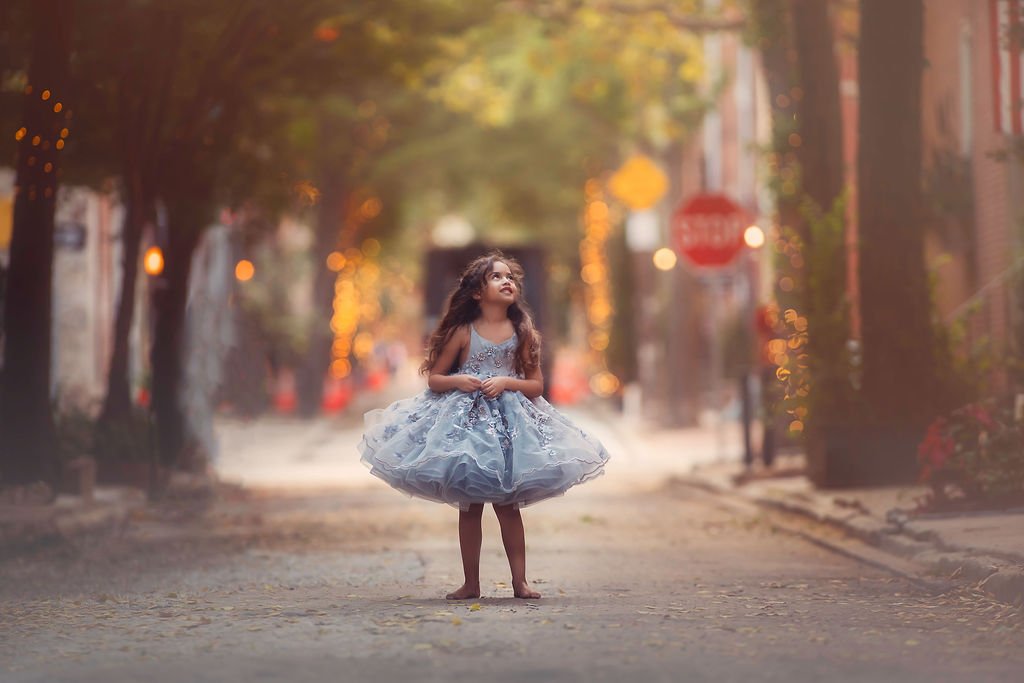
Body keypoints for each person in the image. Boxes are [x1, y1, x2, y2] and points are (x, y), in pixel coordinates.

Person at [359, 250, 611, 600]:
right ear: (477, 292)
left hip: (509, 429)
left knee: (508, 506)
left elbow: (536, 386)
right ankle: (471, 583)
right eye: (496, 276)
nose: (507, 281)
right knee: (470, 505)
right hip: (467, 427)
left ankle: (520, 582)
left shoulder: (522, 332)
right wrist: (459, 380)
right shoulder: (464, 332)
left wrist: (507, 382)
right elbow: (435, 379)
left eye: (510, 277)